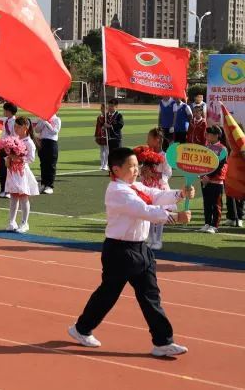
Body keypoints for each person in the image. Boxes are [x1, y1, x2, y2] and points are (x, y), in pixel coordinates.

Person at [67, 147, 192, 358]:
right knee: (108, 295)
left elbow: (155, 195)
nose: (136, 169)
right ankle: (81, 329)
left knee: (150, 296)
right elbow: (144, 210)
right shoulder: (117, 191)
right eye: (131, 166)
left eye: (136, 165)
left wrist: (180, 194)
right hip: (120, 251)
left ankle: (163, 341)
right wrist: (175, 217)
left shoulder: (135, 186)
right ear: (116, 169)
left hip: (140, 248)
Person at [3, 117, 40, 233]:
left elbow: (31, 159)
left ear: (26, 127)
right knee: (13, 197)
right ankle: (11, 222)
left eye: (19, 126)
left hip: (22, 172)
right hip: (12, 171)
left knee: (23, 197)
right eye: (15, 126)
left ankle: (24, 223)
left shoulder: (29, 142)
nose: (16, 128)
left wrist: (18, 158)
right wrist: (8, 158)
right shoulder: (15, 139)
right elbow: (9, 154)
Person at [135, 145, 172, 250]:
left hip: (159, 187)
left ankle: (158, 240)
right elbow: (140, 174)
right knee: (149, 213)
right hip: (147, 186)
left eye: (150, 138)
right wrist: (144, 172)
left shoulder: (164, 156)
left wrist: (154, 174)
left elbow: (168, 173)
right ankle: (151, 238)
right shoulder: (146, 155)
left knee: (160, 213)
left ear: (157, 140)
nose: (148, 141)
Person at [200, 125, 228, 234]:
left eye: (209, 134)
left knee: (216, 204)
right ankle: (207, 223)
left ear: (216, 136)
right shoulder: (206, 147)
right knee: (206, 203)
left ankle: (214, 225)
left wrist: (208, 176)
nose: (207, 136)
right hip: (205, 180)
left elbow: (220, 166)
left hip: (216, 180)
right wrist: (202, 176)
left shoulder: (222, 149)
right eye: (207, 134)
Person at [36, 113, 62, 194]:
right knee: (43, 164)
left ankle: (49, 185)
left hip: (52, 142)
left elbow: (55, 131)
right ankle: (43, 184)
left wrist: (46, 123)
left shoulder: (57, 119)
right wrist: (42, 121)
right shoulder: (41, 118)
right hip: (42, 142)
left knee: (51, 164)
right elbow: (37, 130)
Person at [0, 103, 18, 197]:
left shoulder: (15, 122)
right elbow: (3, 135)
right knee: (2, 169)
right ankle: (3, 189)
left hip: (11, 149)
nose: (3, 112)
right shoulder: (6, 121)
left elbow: (15, 136)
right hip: (3, 148)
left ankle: (10, 190)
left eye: (4, 110)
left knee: (10, 170)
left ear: (9, 111)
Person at [95, 104, 109, 171]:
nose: (102, 110)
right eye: (101, 108)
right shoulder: (99, 117)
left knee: (106, 150)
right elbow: (97, 127)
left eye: (104, 108)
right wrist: (96, 135)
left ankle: (105, 164)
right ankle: (102, 164)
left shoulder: (108, 117)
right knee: (101, 150)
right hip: (101, 135)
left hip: (107, 135)